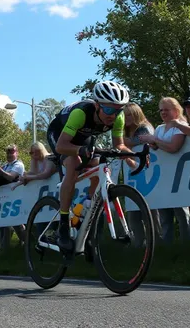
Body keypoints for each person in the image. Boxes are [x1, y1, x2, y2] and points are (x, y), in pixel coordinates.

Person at [46, 80, 135, 252]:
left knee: (98, 163)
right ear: (97, 106)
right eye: (108, 109)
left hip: (84, 136)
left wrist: (132, 158)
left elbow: (119, 145)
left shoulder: (118, 117)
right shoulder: (81, 113)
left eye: (118, 110)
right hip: (60, 135)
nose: (113, 115)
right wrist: (80, 150)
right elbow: (61, 146)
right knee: (74, 162)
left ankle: (86, 206)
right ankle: (63, 224)